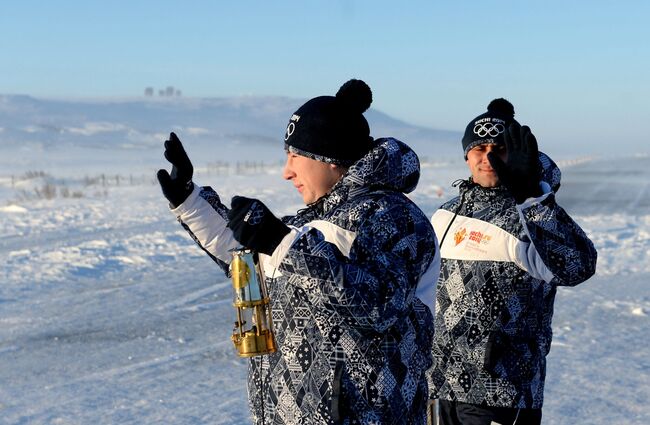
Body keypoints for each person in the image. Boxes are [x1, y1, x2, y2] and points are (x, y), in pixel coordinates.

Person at [157, 79, 440, 424]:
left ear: (331, 158)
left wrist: (281, 241)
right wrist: (188, 200)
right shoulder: (312, 222)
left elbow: (379, 304)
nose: (286, 171)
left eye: (296, 155)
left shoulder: (392, 217)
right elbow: (247, 261)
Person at [427, 99, 597, 425]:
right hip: (439, 384)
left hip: (503, 390)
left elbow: (578, 266)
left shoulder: (532, 214)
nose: (488, 157)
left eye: (499, 147)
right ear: (466, 155)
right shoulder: (445, 214)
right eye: (479, 148)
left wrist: (532, 199)